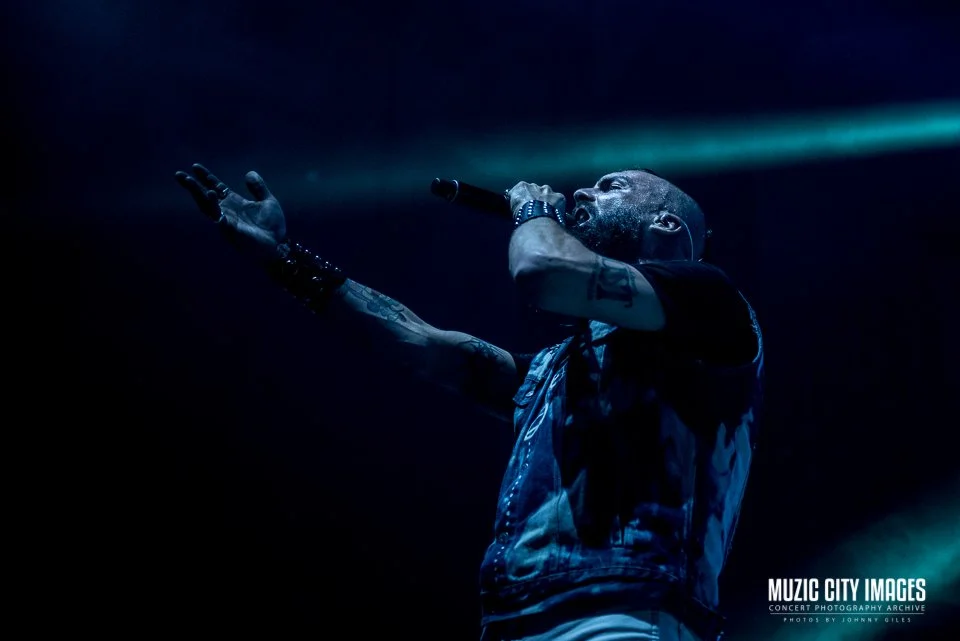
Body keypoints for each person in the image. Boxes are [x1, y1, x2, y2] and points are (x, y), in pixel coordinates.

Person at [175, 163, 764, 641]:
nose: (583, 191)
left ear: (665, 224)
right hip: (518, 619)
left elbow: (542, 270)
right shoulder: (563, 365)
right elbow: (423, 344)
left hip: (624, 614)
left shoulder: (708, 304)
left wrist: (534, 212)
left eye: (611, 187)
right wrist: (284, 259)